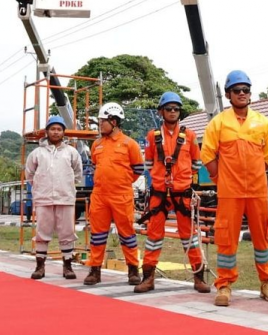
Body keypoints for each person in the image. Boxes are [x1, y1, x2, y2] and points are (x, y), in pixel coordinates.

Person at [201, 70, 268, 307]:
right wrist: (220, 178)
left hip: (257, 191)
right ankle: (224, 285)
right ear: (228, 94)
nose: (242, 94)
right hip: (230, 192)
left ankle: (267, 283)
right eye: (237, 90)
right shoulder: (218, 122)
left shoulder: (263, 122)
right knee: (226, 239)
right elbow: (207, 154)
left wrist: (255, 175)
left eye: (246, 90)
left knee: (262, 237)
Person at [134, 91, 211, 294]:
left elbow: (197, 163)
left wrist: (181, 180)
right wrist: (163, 179)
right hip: (159, 194)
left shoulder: (190, 135)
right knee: (153, 237)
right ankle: (148, 278)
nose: (173, 112)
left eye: (176, 109)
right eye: (169, 109)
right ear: (161, 112)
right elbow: (149, 164)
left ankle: (199, 277)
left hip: (182, 194)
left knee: (191, 237)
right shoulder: (152, 136)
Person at [83, 102, 144, 286]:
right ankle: (95, 270)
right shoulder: (97, 144)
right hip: (99, 196)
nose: (99, 125)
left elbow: (138, 169)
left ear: (114, 121)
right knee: (98, 235)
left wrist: (123, 182)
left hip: (122, 196)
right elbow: (95, 166)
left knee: (127, 234)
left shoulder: (129, 144)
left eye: (102, 121)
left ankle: (133, 270)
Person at [25, 115, 83, 280]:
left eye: (59, 129)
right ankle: (40, 266)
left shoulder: (71, 152)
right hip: (43, 199)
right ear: (47, 131)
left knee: (67, 232)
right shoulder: (37, 153)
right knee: (42, 232)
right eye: (53, 129)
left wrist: (67, 185)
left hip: (65, 198)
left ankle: (68, 266)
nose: (56, 132)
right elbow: (29, 173)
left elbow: (77, 173)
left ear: (63, 132)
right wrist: (39, 186)